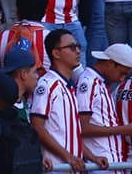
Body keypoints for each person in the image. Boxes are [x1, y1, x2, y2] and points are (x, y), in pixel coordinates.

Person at [30, 29, 92, 172]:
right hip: (56, 168)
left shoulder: (68, 87)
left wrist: (91, 156)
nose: (77, 51)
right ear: (56, 53)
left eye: (78, 47)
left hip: (71, 167)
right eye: (71, 47)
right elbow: (37, 127)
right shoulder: (46, 84)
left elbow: (71, 134)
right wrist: (68, 157)